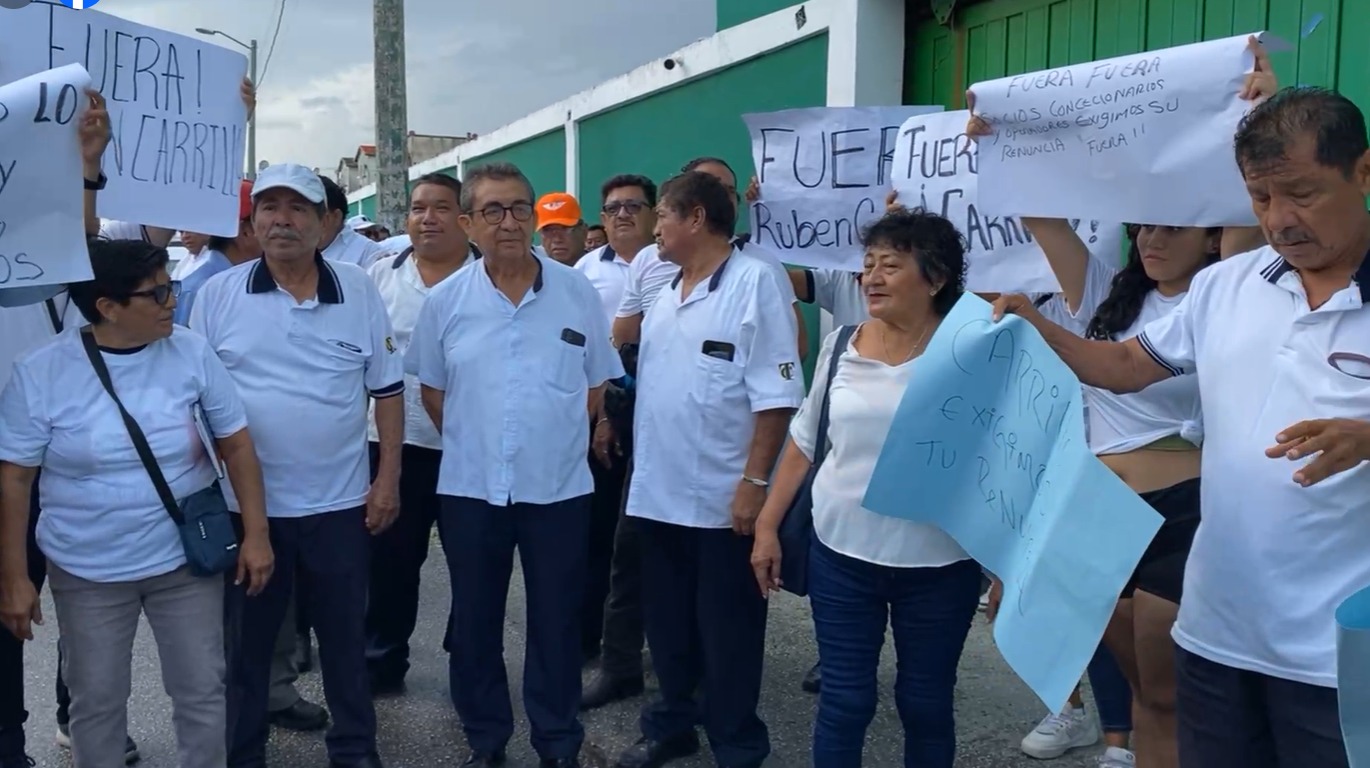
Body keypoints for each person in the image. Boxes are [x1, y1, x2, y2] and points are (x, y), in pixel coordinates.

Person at [992, 85, 1370, 768]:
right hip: (1216, 635)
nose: (1280, 219)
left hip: (1336, 652)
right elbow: (1126, 365)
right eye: (1260, 197)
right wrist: (1039, 328)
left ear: (1363, 173)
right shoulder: (1227, 286)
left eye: (1303, 194)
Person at [0, 238, 274, 768]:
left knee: (201, 692)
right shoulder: (41, 371)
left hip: (183, 562)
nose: (173, 300)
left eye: (171, 286)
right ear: (108, 307)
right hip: (87, 571)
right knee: (96, 703)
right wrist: (14, 576)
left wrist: (257, 535)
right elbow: (14, 479)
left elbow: (236, 443)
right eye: (158, 293)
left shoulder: (191, 351)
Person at [408, 162, 621, 768]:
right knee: (475, 623)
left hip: (558, 490)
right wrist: (481, 442)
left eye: (520, 208)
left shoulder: (575, 291)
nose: (510, 222)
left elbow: (593, 386)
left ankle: (557, 742)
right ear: (470, 223)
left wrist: (545, 439)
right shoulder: (446, 301)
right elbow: (433, 389)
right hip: (472, 489)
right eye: (494, 211)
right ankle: (486, 740)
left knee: (556, 623)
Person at [749, 208, 979, 767]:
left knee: (925, 704)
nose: (871, 277)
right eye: (867, 265)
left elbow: (1002, 459)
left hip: (940, 566)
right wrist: (766, 525)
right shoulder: (842, 345)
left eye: (890, 266)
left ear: (937, 278)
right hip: (842, 557)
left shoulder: (976, 351)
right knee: (845, 702)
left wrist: (1008, 563)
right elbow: (805, 442)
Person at [192, 163, 404, 768]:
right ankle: (243, 752)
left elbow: (387, 392)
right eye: (268, 208)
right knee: (248, 644)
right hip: (246, 509)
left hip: (339, 504)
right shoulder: (217, 296)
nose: (280, 220)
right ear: (253, 221)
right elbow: (196, 398)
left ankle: (356, 749)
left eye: (298, 209)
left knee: (343, 640)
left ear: (325, 223)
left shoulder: (359, 290)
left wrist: (386, 480)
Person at [612, 171, 802, 768]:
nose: (654, 229)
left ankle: (737, 745)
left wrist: (753, 485)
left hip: (726, 505)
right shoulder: (665, 292)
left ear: (695, 218)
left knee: (730, 636)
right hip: (657, 497)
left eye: (662, 215)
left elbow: (776, 398)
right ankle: (671, 725)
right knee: (667, 628)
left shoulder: (754, 283)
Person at [363, 172, 476, 694]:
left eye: (440, 208)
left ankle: (468, 659)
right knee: (391, 564)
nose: (427, 218)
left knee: (473, 561)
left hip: (467, 445)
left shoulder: (489, 275)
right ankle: (382, 663)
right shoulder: (378, 277)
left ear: (465, 218)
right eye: (417, 208)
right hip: (395, 446)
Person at [576, 174, 657, 704]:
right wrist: (603, 415)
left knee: (656, 540)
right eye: (612, 208)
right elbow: (592, 353)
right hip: (613, 410)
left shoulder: (675, 262)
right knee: (604, 534)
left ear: (655, 215)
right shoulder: (585, 271)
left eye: (633, 206)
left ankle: (667, 646)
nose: (622, 215)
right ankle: (600, 645)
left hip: (673, 419)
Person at [537, 192, 589, 266]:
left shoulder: (601, 272)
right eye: (548, 230)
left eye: (565, 228)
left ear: (584, 231)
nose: (557, 239)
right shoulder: (529, 274)